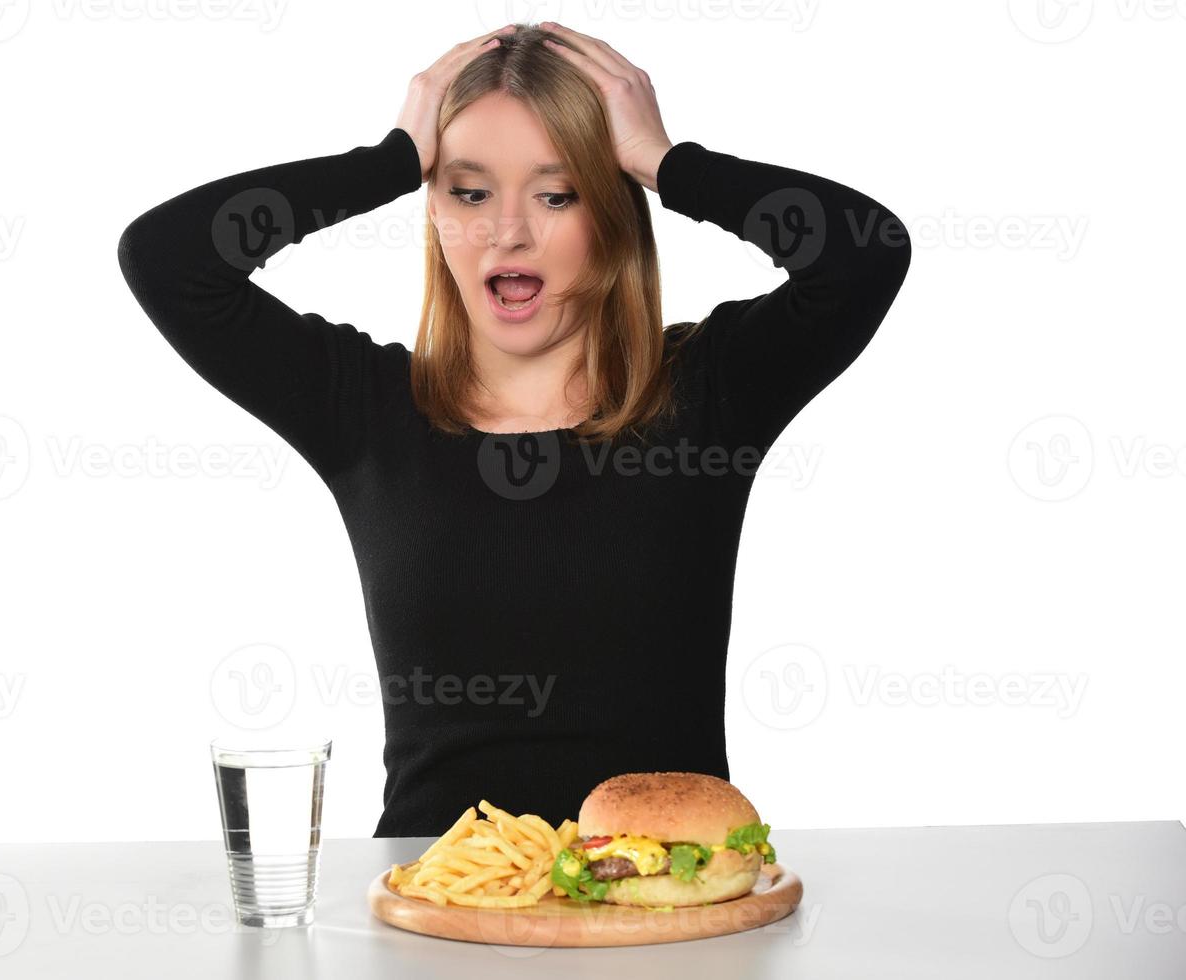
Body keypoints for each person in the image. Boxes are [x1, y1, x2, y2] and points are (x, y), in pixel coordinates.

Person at [118, 22, 911, 836]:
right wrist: (386, 161)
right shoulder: (365, 407)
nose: (508, 232)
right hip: (431, 923)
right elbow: (167, 259)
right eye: (468, 191)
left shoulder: (705, 394)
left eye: (557, 192)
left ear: (609, 211)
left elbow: (864, 254)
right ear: (431, 207)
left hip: (659, 928)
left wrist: (666, 162)